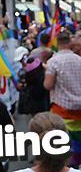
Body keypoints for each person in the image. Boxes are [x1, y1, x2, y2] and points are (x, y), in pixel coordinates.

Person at [45, 31, 81, 167]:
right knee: (78, 142)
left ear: (57, 43)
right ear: (69, 42)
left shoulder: (53, 62)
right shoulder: (79, 59)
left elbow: (48, 85)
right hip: (79, 112)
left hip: (62, 111)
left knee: (63, 144)